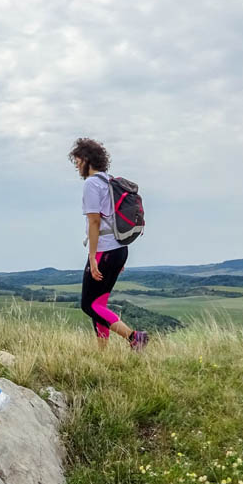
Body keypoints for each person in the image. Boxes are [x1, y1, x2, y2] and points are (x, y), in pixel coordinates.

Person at [69, 138, 148, 350]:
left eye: (77, 161)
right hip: (120, 249)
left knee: (88, 305)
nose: (76, 166)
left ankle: (134, 337)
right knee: (99, 304)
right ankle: (102, 353)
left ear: (86, 159)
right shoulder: (110, 181)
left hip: (104, 250)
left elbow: (94, 221)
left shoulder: (92, 184)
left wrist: (92, 258)